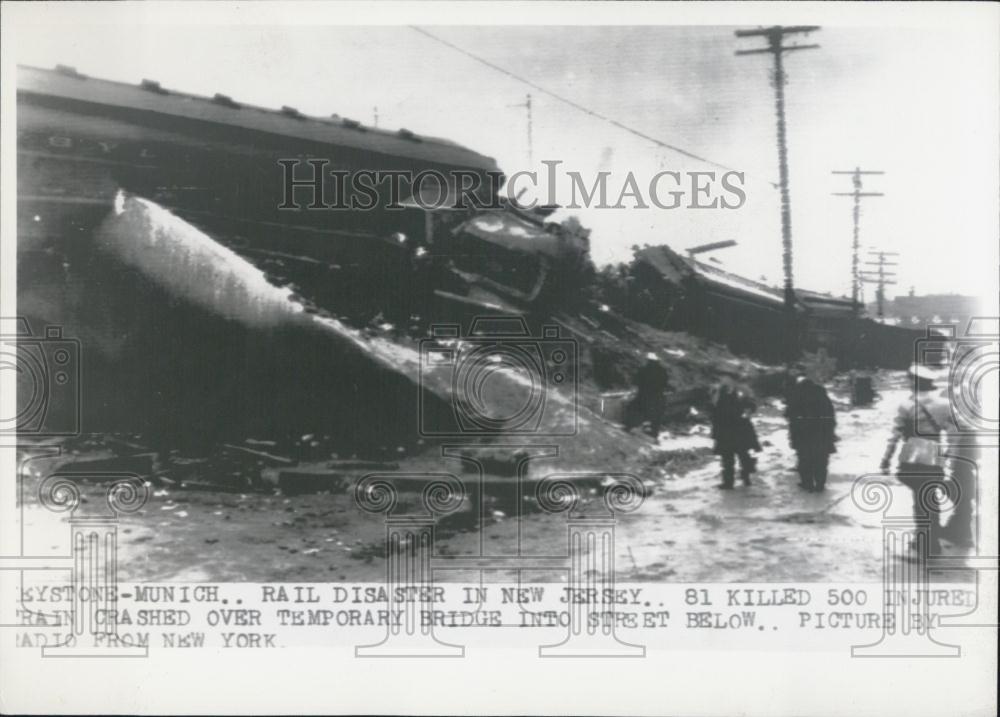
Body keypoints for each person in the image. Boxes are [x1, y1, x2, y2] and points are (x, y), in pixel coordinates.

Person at [880, 364, 952, 555]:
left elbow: (895, 435)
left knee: (919, 500)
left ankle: (927, 543)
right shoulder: (944, 404)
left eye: (909, 380)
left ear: (914, 382)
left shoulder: (907, 405)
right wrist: (948, 454)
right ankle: (928, 538)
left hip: (913, 456)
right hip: (935, 455)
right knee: (929, 498)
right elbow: (956, 432)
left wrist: (886, 460)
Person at [785, 376, 838, 491]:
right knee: (821, 459)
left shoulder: (797, 397)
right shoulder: (822, 396)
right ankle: (820, 484)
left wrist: (794, 432)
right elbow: (830, 415)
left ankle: (807, 483)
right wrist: (831, 431)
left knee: (804, 458)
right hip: (822, 433)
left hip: (803, 433)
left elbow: (790, 415)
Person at [711, 383, 761, 489]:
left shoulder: (742, 389)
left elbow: (752, 403)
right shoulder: (718, 391)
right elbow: (713, 408)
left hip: (740, 429)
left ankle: (746, 474)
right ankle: (728, 482)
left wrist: (748, 410)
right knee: (727, 457)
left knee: (743, 455)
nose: (725, 380)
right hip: (724, 429)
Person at [626, 352, 671, 437]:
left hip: (643, 396)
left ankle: (630, 428)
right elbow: (665, 384)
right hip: (658, 397)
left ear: (649, 361)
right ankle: (654, 434)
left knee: (631, 408)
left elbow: (635, 382)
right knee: (657, 416)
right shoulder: (662, 371)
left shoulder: (643, 370)